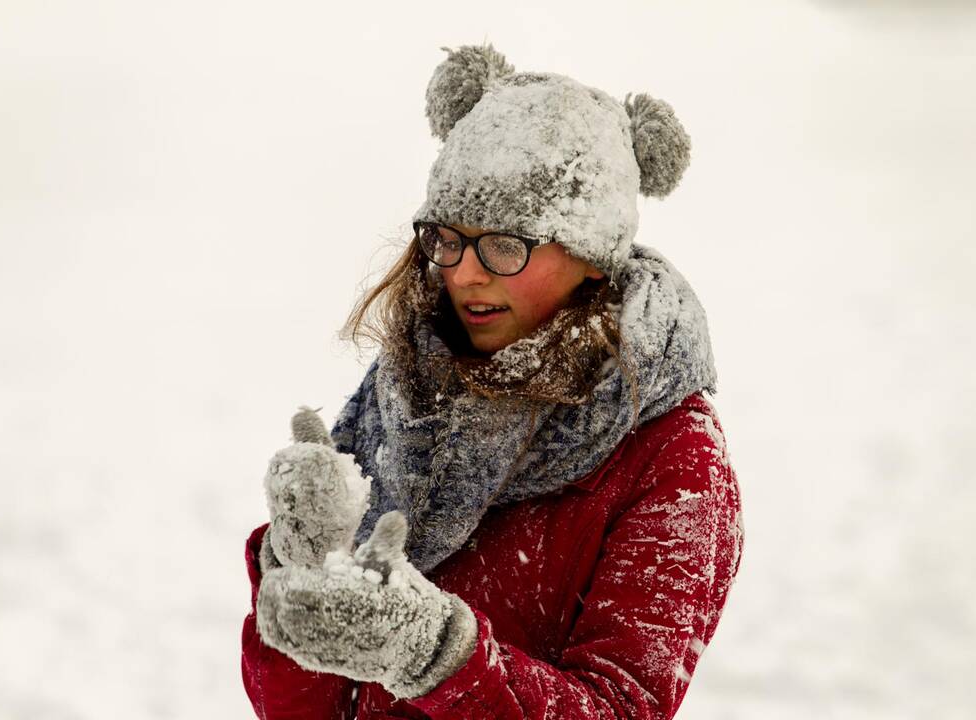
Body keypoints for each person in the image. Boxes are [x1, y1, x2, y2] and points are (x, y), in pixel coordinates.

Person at [240, 42, 745, 719]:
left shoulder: (673, 460)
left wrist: (438, 654)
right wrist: (298, 571)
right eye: (448, 238)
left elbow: (621, 708)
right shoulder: (405, 391)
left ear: (592, 258)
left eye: (506, 245)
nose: (464, 273)